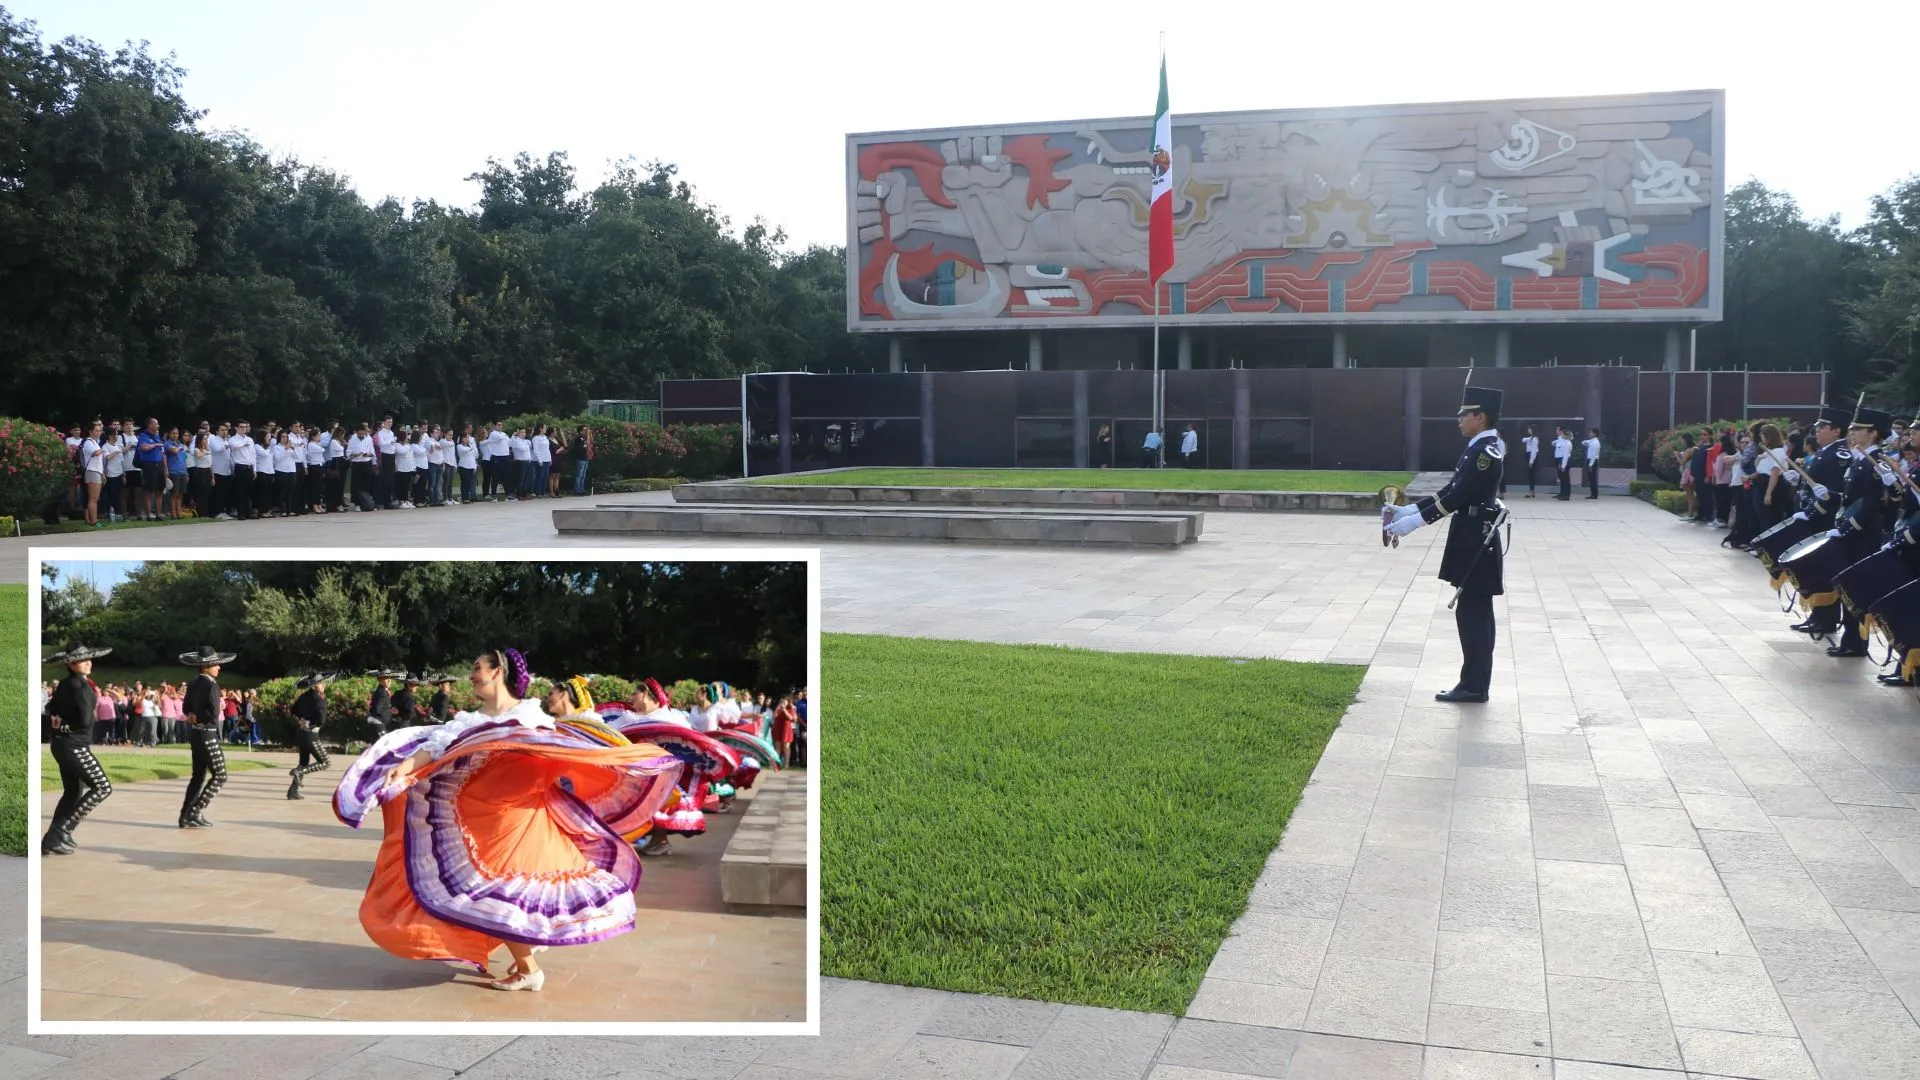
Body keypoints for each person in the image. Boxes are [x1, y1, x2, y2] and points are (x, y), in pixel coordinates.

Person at [330, 647, 685, 990]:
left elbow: (558, 754)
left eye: (477, 669)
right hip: (485, 821)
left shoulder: (532, 718)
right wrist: (403, 769)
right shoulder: (472, 721)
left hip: (521, 820)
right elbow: (436, 747)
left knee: (495, 887)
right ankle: (526, 960)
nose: (471, 675)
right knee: (499, 890)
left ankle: (528, 968)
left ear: (497, 672)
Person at [1386, 383, 1506, 704]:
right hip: (1471, 536)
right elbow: (1449, 490)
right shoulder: (1476, 449)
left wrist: (1414, 524)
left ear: (1481, 417)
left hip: (1476, 540)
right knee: (1473, 612)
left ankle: (1474, 686)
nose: (1459, 420)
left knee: (1473, 616)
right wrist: (1411, 510)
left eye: (1465, 414)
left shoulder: (1484, 453)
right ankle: (1474, 684)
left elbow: (1458, 497)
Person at [1825, 407, 1893, 659]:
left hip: (1863, 535)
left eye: (1858, 429)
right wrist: (1830, 496)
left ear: (1873, 433)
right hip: (1852, 533)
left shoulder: (1876, 462)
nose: (1852, 433)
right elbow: (1850, 498)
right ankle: (1850, 640)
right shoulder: (1861, 459)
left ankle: (1857, 643)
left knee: (1856, 590)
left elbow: (1871, 505)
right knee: (1848, 588)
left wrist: (1848, 528)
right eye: (1852, 428)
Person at [43, 642, 116, 855]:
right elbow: (85, 719)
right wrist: (77, 723)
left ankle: (52, 839)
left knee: (73, 791)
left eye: (88, 659)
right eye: (82, 661)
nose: (87, 663)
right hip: (74, 745)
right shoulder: (82, 686)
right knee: (103, 787)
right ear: (72, 664)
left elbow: (50, 707)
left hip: (61, 744)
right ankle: (62, 831)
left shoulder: (66, 684)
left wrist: (60, 722)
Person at [178, 644, 234, 828]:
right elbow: (213, 711)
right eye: (215, 664)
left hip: (196, 735)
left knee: (198, 777)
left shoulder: (193, 682)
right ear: (205, 666)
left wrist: (192, 716)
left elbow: (186, 707)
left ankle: (185, 816)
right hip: (208, 735)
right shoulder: (211, 685)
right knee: (220, 775)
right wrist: (216, 709)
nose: (219, 667)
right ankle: (195, 811)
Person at [288, 671, 335, 800]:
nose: (324, 685)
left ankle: (292, 792)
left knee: (303, 762)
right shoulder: (318, 699)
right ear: (314, 686)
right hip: (311, 736)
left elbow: (293, 710)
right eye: (321, 683)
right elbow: (322, 719)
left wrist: (301, 719)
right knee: (325, 762)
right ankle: (299, 772)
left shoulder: (304, 696)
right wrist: (311, 724)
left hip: (302, 734)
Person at [366, 669, 399, 739]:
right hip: (379, 723)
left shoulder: (382, 691)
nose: (389, 680)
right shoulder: (382, 693)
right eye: (386, 678)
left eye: (390, 678)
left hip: (380, 723)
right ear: (380, 679)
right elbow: (377, 709)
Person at [1552, 427, 1572, 500]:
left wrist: (1563, 466)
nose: (1561, 434)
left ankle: (1566, 495)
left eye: (1562, 434)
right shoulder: (1562, 440)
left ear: (1565, 435)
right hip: (1560, 460)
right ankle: (1562, 493)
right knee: (1562, 478)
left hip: (1563, 460)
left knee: (1565, 478)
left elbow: (1566, 455)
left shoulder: (1567, 443)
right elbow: (1555, 443)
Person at [1521, 424, 1540, 498]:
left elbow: (1533, 451)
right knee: (1530, 475)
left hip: (1532, 457)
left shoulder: (1534, 439)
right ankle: (1531, 491)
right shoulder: (1531, 438)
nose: (1528, 430)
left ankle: (1532, 492)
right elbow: (1523, 440)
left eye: (1529, 429)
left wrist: (1531, 461)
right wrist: (1530, 439)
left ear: (1532, 430)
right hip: (1528, 456)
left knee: (1531, 475)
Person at [1583, 428, 1602, 500]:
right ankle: (1593, 494)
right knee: (1591, 478)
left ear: (1595, 434)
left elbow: (1594, 455)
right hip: (1590, 460)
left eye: (1591, 432)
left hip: (1592, 461)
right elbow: (1583, 442)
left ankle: (1594, 494)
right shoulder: (1592, 441)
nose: (1589, 434)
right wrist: (1587, 443)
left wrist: (1590, 465)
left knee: (1592, 478)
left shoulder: (1595, 443)